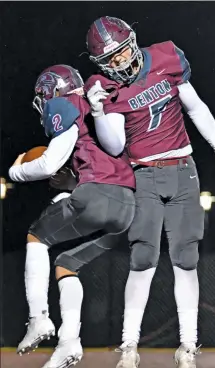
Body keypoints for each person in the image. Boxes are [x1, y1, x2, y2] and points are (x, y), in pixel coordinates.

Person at [84, 16, 215, 368]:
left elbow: (195, 106)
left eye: (123, 54)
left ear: (134, 42)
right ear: (100, 65)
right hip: (144, 176)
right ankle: (129, 345)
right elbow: (115, 145)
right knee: (143, 261)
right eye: (111, 61)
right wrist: (97, 112)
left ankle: (188, 345)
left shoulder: (167, 58)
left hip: (184, 171)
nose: (121, 63)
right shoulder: (104, 86)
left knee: (186, 260)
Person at [9, 64, 136, 368]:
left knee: (37, 236)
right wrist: (75, 184)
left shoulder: (64, 104)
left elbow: (50, 163)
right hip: (127, 207)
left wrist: (16, 172)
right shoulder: (99, 106)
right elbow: (107, 164)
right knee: (66, 264)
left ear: (53, 90)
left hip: (98, 197)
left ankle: (38, 317)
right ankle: (69, 342)